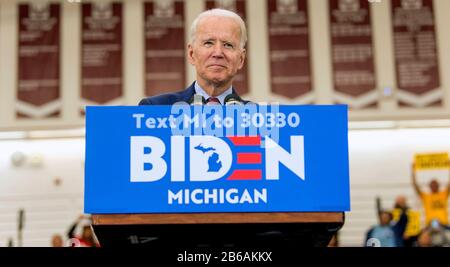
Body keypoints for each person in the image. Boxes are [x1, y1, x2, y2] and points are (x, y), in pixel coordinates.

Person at [139, 8, 249, 106]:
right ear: (192, 54)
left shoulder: (258, 118)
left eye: (228, 45)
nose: (218, 53)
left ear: (241, 59)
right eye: (208, 43)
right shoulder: (155, 108)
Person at [411, 162, 450, 227]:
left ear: (439, 185)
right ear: (429, 186)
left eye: (435, 184)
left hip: (444, 224)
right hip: (430, 225)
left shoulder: (444, 194)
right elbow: (415, 185)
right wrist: (413, 170)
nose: (434, 186)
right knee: (422, 237)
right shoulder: (425, 196)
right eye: (432, 185)